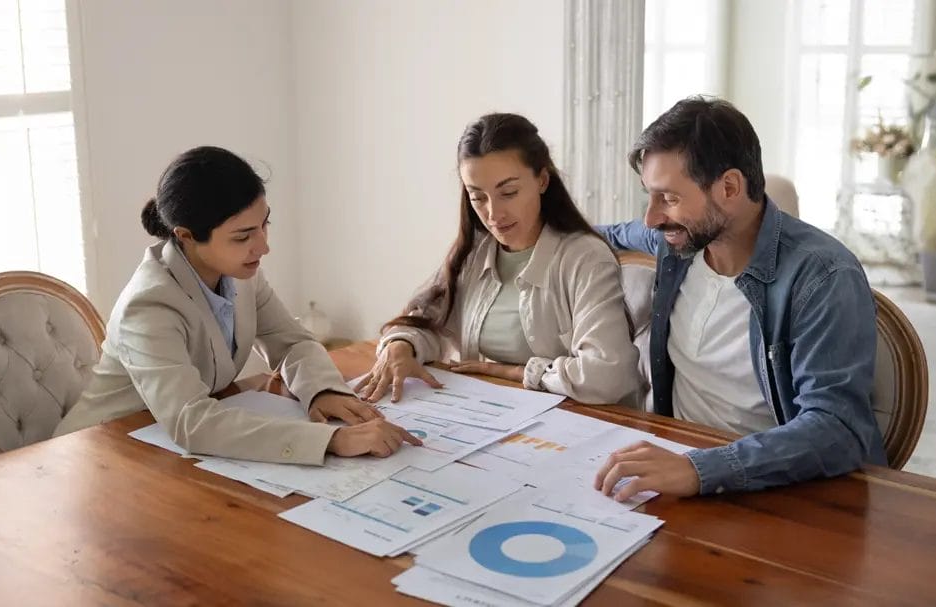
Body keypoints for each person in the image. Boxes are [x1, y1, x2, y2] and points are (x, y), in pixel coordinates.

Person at [592, 97, 887, 501]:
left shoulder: (824, 275)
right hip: (676, 471)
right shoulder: (678, 242)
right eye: (650, 195)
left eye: (669, 198)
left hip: (777, 490)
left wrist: (700, 469)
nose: (652, 218)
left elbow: (837, 429)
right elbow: (605, 232)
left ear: (729, 187)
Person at [54, 146, 420, 463]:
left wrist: (321, 390)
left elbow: (291, 342)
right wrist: (332, 441)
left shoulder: (241, 272)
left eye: (264, 225)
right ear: (185, 236)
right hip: (98, 453)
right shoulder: (148, 307)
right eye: (243, 236)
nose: (263, 246)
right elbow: (192, 421)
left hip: (165, 448)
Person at [356, 113, 643, 406]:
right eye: (477, 197)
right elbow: (429, 323)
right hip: (494, 414)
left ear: (542, 180)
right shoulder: (475, 251)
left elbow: (607, 377)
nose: (493, 214)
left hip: (581, 422)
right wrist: (401, 344)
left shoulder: (586, 258)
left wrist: (514, 372)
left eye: (509, 192)